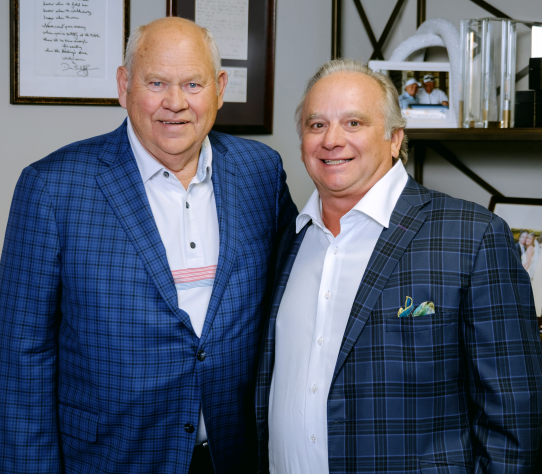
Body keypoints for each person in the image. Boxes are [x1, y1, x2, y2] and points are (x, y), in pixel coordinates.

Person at [0, 17, 296, 474]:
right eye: (156, 82)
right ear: (124, 86)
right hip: (110, 458)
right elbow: (20, 356)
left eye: (192, 84)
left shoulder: (261, 172)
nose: (174, 103)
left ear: (219, 88)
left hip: (234, 455)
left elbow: (292, 299)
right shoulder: (52, 188)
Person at [255, 59, 542, 473]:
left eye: (354, 123)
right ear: (301, 141)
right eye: (317, 125)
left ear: (395, 139)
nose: (332, 140)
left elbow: (515, 420)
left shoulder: (473, 238)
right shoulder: (289, 240)